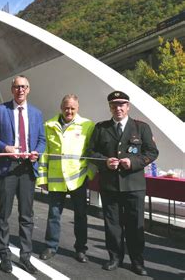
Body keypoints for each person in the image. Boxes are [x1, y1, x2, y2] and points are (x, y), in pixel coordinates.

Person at [87, 91, 159, 277]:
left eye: (121, 104)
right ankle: (114, 258)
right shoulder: (101, 128)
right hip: (110, 185)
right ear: (110, 107)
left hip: (134, 186)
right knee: (112, 224)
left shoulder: (141, 128)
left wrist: (133, 162)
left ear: (128, 107)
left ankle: (137, 261)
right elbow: (91, 152)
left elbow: (152, 152)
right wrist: (105, 162)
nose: (117, 108)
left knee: (135, 225)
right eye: (114, 105)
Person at [0, 75, 45, 275]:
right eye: (17, 87)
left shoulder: (36, 113)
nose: (20, 90)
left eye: (24, 87)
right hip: (6, 168)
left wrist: (37, 151)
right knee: (3, 214)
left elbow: (42, 140)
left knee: (26, 216)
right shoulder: (0, 110)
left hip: (27, 169)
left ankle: (26, 256)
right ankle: (4, 254)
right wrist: (5, 147)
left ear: (28, 89)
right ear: (12, 90)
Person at [37, 94, 95, 263]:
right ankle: (50, 246)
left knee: (81, 215)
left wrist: (89, 174)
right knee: (54, 214)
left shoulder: (87, 125)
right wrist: (42, 179)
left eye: (72, 108)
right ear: (61, 107)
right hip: (56, 179)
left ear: (77, 108)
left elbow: (93, 153)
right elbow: (44, 155)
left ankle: (81, 249)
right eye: (66, 107)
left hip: (78, 178)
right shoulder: (49, 125)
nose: (69, 111)